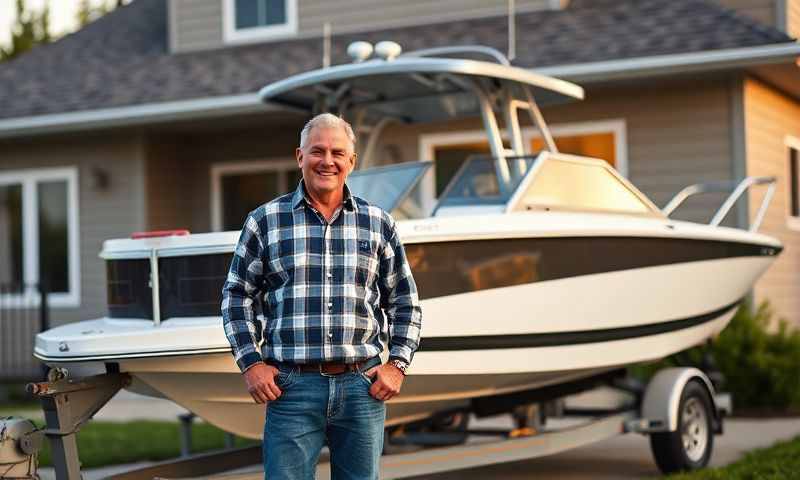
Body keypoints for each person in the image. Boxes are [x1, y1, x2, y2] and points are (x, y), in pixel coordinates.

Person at [221, 113, 422, 480]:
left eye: (337, 152)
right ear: (300, 157)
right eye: (317, 151)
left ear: (351, 162)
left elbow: (404, 301)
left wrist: (397, 365)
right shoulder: (265, 221)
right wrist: (251, 364)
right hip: (291, 389)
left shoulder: (379, 223)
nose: (327, 161)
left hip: (363, 387)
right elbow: (237, 297)